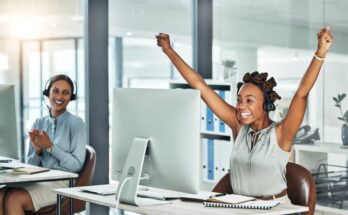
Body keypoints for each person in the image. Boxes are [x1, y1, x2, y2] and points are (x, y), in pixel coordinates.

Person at [156, 28, 333, 201]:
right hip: (239, 207)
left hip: (275, 210)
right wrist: (168, 50)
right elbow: (200, 86)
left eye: (249, 101)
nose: (240, 106)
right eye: (239, 100)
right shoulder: (239, 126)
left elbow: (301, 93)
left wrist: (320, 53)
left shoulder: (281, 133)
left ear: (266, 105)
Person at [0, 74, 86, 215]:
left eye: (66, 93)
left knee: (14, 199)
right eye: (55, 91)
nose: (60, 96)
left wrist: (50, 147)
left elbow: (76, 166)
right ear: (48, 93)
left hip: (62, 183)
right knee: (1, 195)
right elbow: (30, 164)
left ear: (71, 97)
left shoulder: (76, 123)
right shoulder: (39, 123)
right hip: (38, 179)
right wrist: (38, 150)